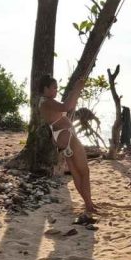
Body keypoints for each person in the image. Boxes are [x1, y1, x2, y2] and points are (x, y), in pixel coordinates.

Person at [38, 75, 97, 218]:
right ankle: (89, 204)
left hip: (62, 137)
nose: (56, 90)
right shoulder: (47, 101)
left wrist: (76, 92)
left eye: (57, 88)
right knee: (84, 171)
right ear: (45, 88)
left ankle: (88, 203)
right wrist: (76, 89)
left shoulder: (44, 102)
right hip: (66, 136)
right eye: (53, 88)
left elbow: (65, 108)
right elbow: (66, 106)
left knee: (76, 173)